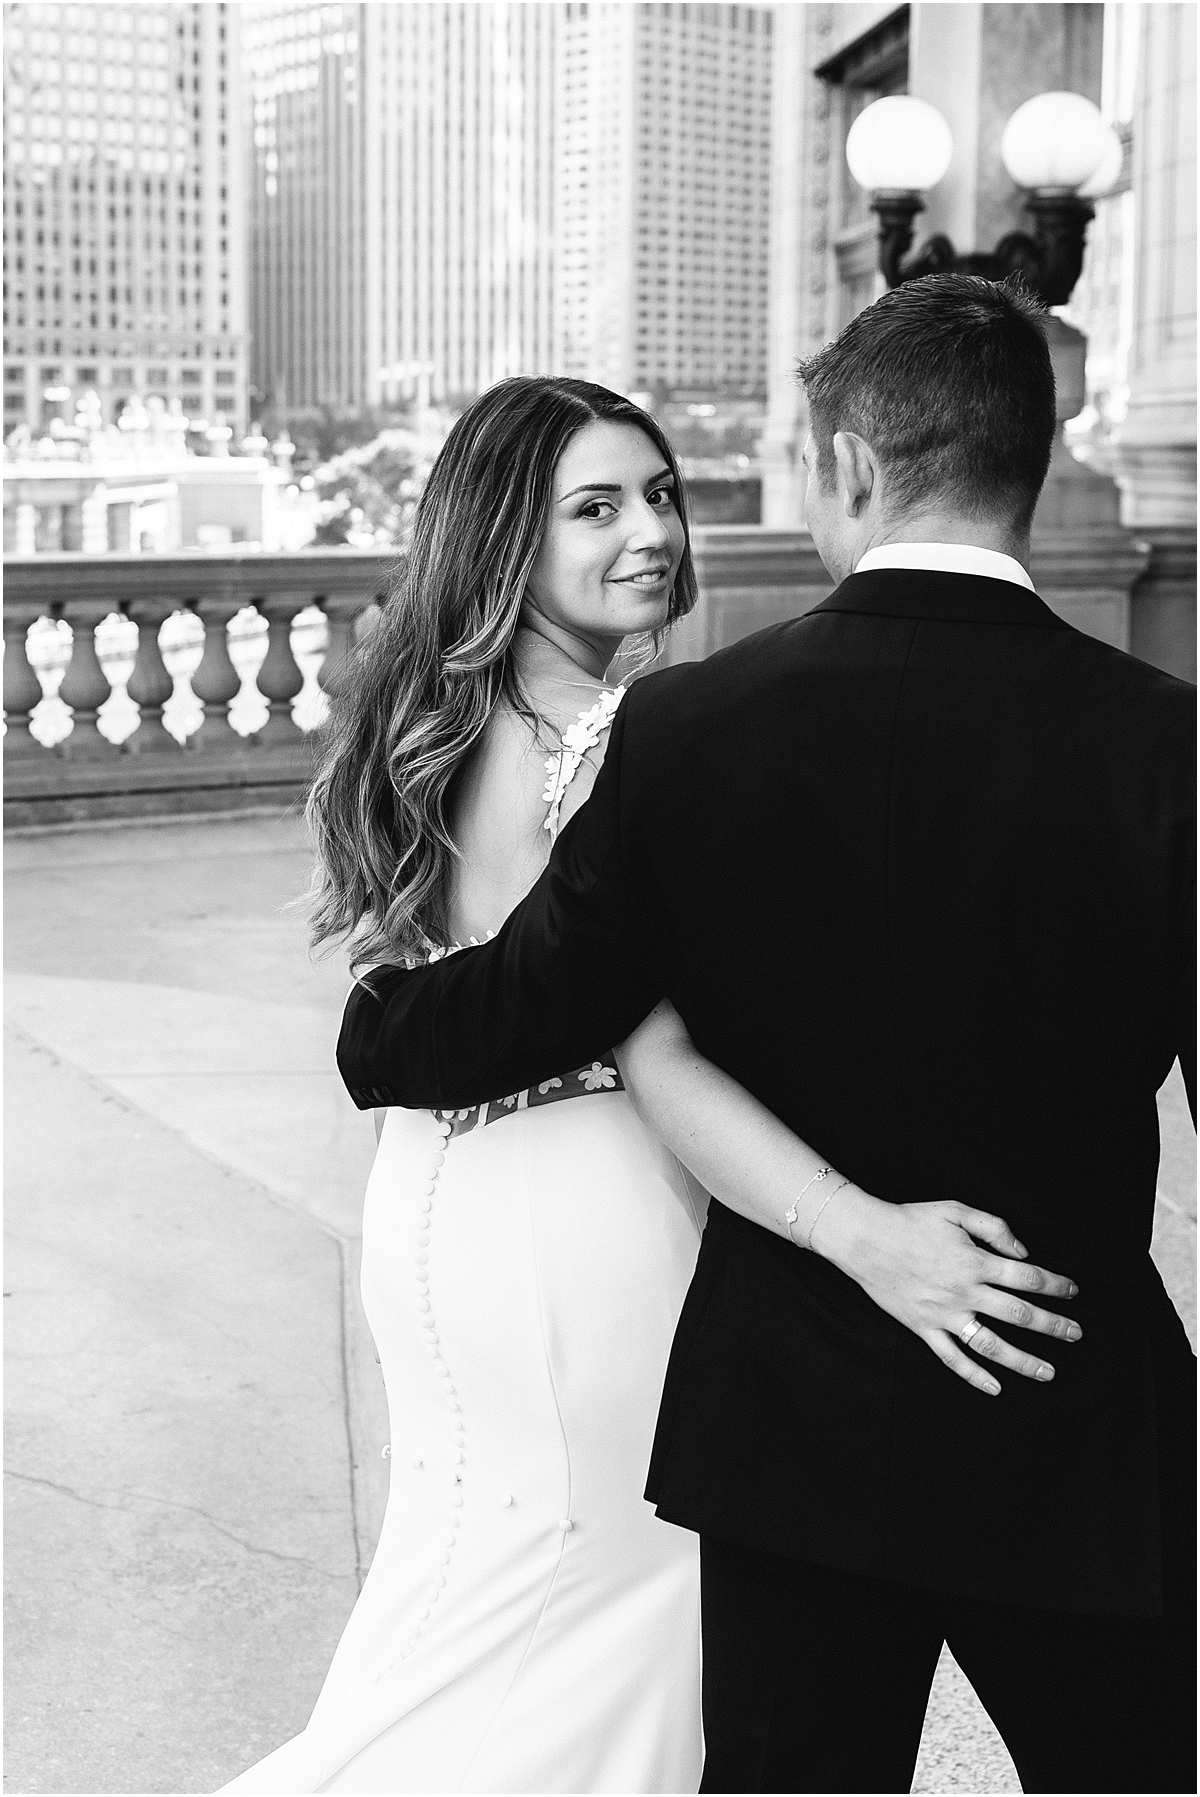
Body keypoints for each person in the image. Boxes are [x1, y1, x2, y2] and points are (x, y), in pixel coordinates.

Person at [338, 282, 1197, 1796]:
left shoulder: (692, 730)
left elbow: (541, 994)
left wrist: (378, 1028)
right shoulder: (1166, 742)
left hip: (788, 1432)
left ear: (850, 469)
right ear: (1040, 464)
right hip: (1071, 1418)